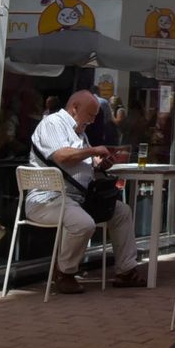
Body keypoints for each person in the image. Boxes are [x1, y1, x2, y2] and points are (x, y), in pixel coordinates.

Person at [25, 90, 144, 294]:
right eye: (90, 115)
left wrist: (100, 164)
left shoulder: (79, 132)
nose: (92, 120)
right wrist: (93, 150)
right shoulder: (53, 123)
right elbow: (62, 156)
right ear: (74, 109)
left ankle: (126, 271)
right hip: (49, 198)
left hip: (78, 199)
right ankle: (64, 272)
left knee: (121, 212)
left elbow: (84, 161)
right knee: (83, 223)